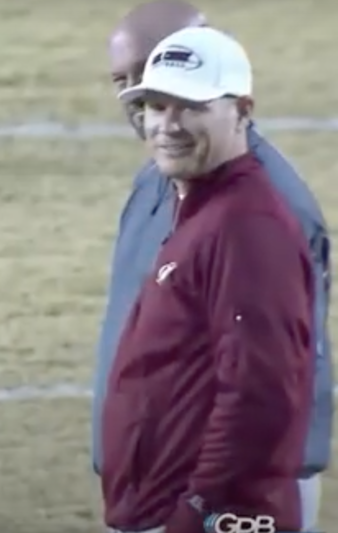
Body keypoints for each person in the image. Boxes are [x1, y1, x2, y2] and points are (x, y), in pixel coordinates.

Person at [91, 2, 331, 531]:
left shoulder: (251, 224)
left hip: (210, 509)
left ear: (241, 110)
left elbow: (263, 389)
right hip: (158, 495)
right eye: (152, 102)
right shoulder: (179, 192)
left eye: (189, 106)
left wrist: (199, 509)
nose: (163, 122)